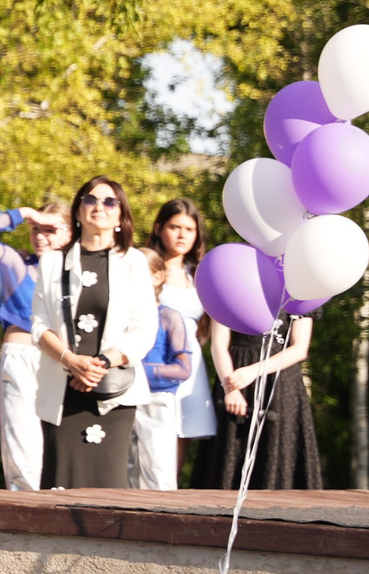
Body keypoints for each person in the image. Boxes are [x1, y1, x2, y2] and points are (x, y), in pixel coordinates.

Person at [32, 176, 160, 490]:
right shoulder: (52, 262)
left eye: (109, 201)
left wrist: (98, 365)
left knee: (110, 485)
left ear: (121, 215)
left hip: (113, 391)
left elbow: (145, 329)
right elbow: (39, 325)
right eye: (89, 199)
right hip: (63, 389)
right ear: (77, 211)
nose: (98, 207)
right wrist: (69, 359)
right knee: (60, 481)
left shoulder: (133, 262)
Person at [0, 200, 69, 490]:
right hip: (23, 356)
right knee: (23, 443)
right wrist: (25, 213)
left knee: (60, 442)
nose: (39, 236)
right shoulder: (16, 265)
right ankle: (26, 506)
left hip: (64, 361)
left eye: (49, 229)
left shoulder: (79, 272)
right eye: (35, 229)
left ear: (70, 233)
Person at [199, 310, 324, 490]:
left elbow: (299, 349)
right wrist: (230, 390)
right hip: (235, 379)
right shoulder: (231, 284)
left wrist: (253, 371)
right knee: (230, 453)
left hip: (280, 382)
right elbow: (218, 345)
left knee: (278, 449)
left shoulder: (296, 291)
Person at [139, 198, 209, 490]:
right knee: (151, 438)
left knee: (181, 434)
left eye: (189, 229)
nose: (182, 234)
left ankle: (171, 500)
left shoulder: (200, 274)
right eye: (174, 226)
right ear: (159, 228)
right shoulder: (143, 267)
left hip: (190, 364)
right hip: (154, 363)